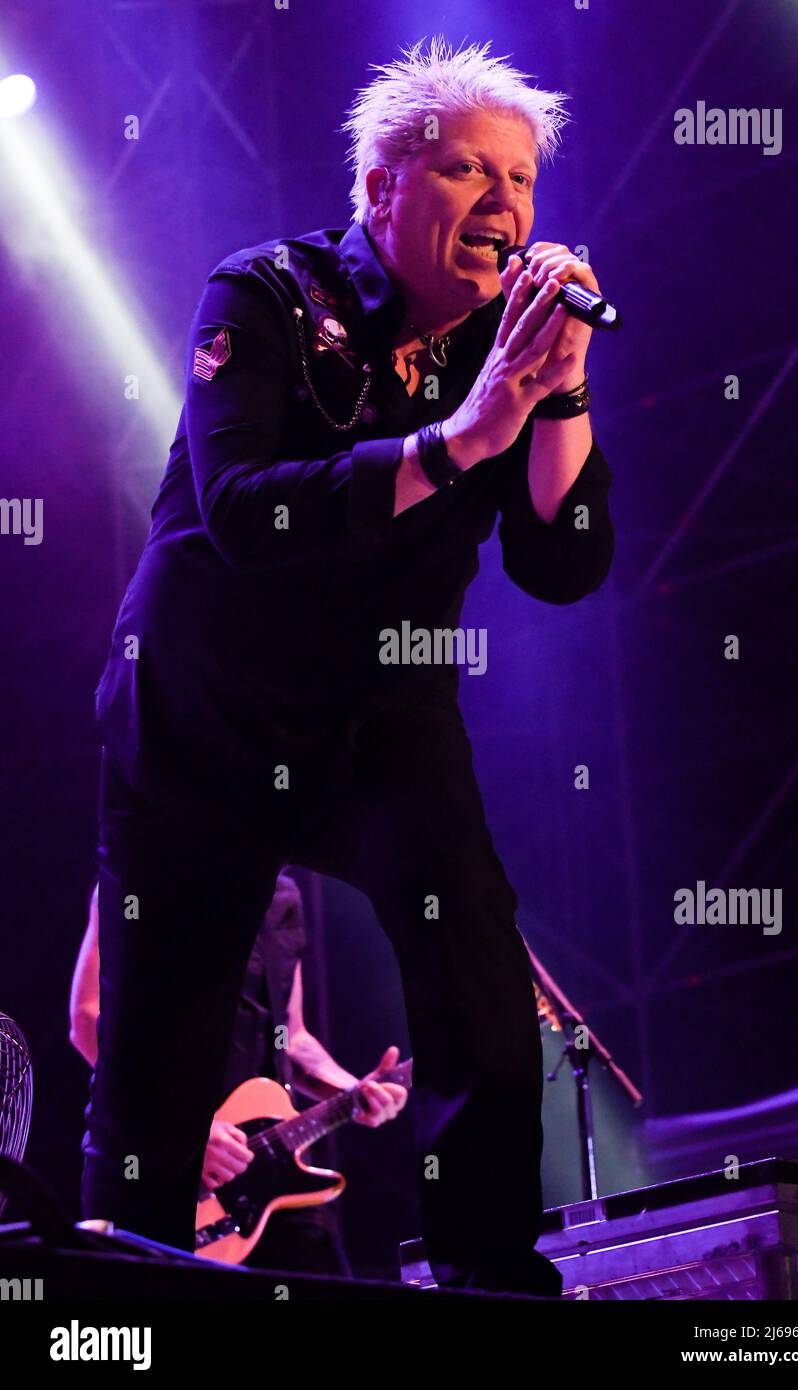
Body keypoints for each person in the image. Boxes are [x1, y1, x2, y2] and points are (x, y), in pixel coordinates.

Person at [82, 37, 614, 1296]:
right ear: (380, 188)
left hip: (380, 706)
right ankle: (119, 1305)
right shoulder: (265, 293)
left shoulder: (513, 340)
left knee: (476, 962)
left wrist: (562, 394)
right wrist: (461, 433)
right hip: (200, 706)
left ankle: (490, 1274)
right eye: (466, 170)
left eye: (522, 178)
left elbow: (564, 564)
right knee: (161, 1038)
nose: (504, 203)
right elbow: (242, 510)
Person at [70, 871, 407, 1273]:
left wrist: (356, 1090)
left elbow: (291, 1037)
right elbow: (89, 1016)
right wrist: (183, 1129)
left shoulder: (283, 895)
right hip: (159, 1162)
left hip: (269, 1173)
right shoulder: (145, 866)